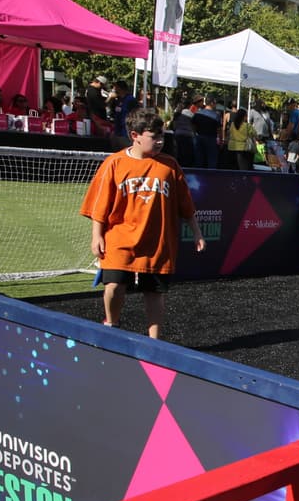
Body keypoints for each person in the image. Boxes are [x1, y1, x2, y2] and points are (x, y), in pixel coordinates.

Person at [78, 108, 205, 339]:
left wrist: (196, 232)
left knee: (154, 292)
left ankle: (154, 342)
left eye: (162, 137)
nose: (159, 142)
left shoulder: (169, 165)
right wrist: (96, 235)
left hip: (157, 241)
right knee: (114, 286)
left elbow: (185, 204)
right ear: (135, 135)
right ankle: (111, 325)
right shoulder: (114, 163)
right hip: (119, 238)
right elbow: (100, 206)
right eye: (153, 137)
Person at [191, 96, 221, 169]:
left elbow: (193, 125)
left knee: (199, 159)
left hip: (199, 138)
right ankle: (211, 177)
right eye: (215, 103)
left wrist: (194, 135)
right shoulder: (216, 115)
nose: (215, 105)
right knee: (212, 160)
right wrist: (220, 139)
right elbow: (219, 129)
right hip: (211, 139)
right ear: (211, 103)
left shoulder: (198, 113)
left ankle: (198, 176)